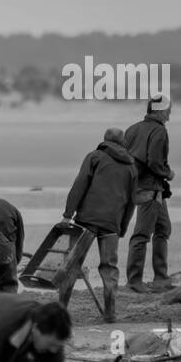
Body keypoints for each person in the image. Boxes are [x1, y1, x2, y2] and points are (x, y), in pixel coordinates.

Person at [62, 127, 138, 322]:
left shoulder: (94, 157)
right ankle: (110, 314)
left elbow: (79, 185)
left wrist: (68, 214)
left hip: (86, 220)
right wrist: (122, 227)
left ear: (105, 140)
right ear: (123, 143)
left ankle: (61, 310)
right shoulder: (131, 167)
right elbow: (131, 202)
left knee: (72, 264)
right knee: (110, 268)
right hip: (112, 224)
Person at [123, 97, 174, 292]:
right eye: (168, 111)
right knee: (142, 234)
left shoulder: (132, 129)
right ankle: (134, 282)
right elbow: (155, 162)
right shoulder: (159, 131)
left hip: (139, 186)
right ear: (160, 112)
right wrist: (168, 173)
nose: (169, 115)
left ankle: (161, 278)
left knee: (163, 228)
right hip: (150, 188)